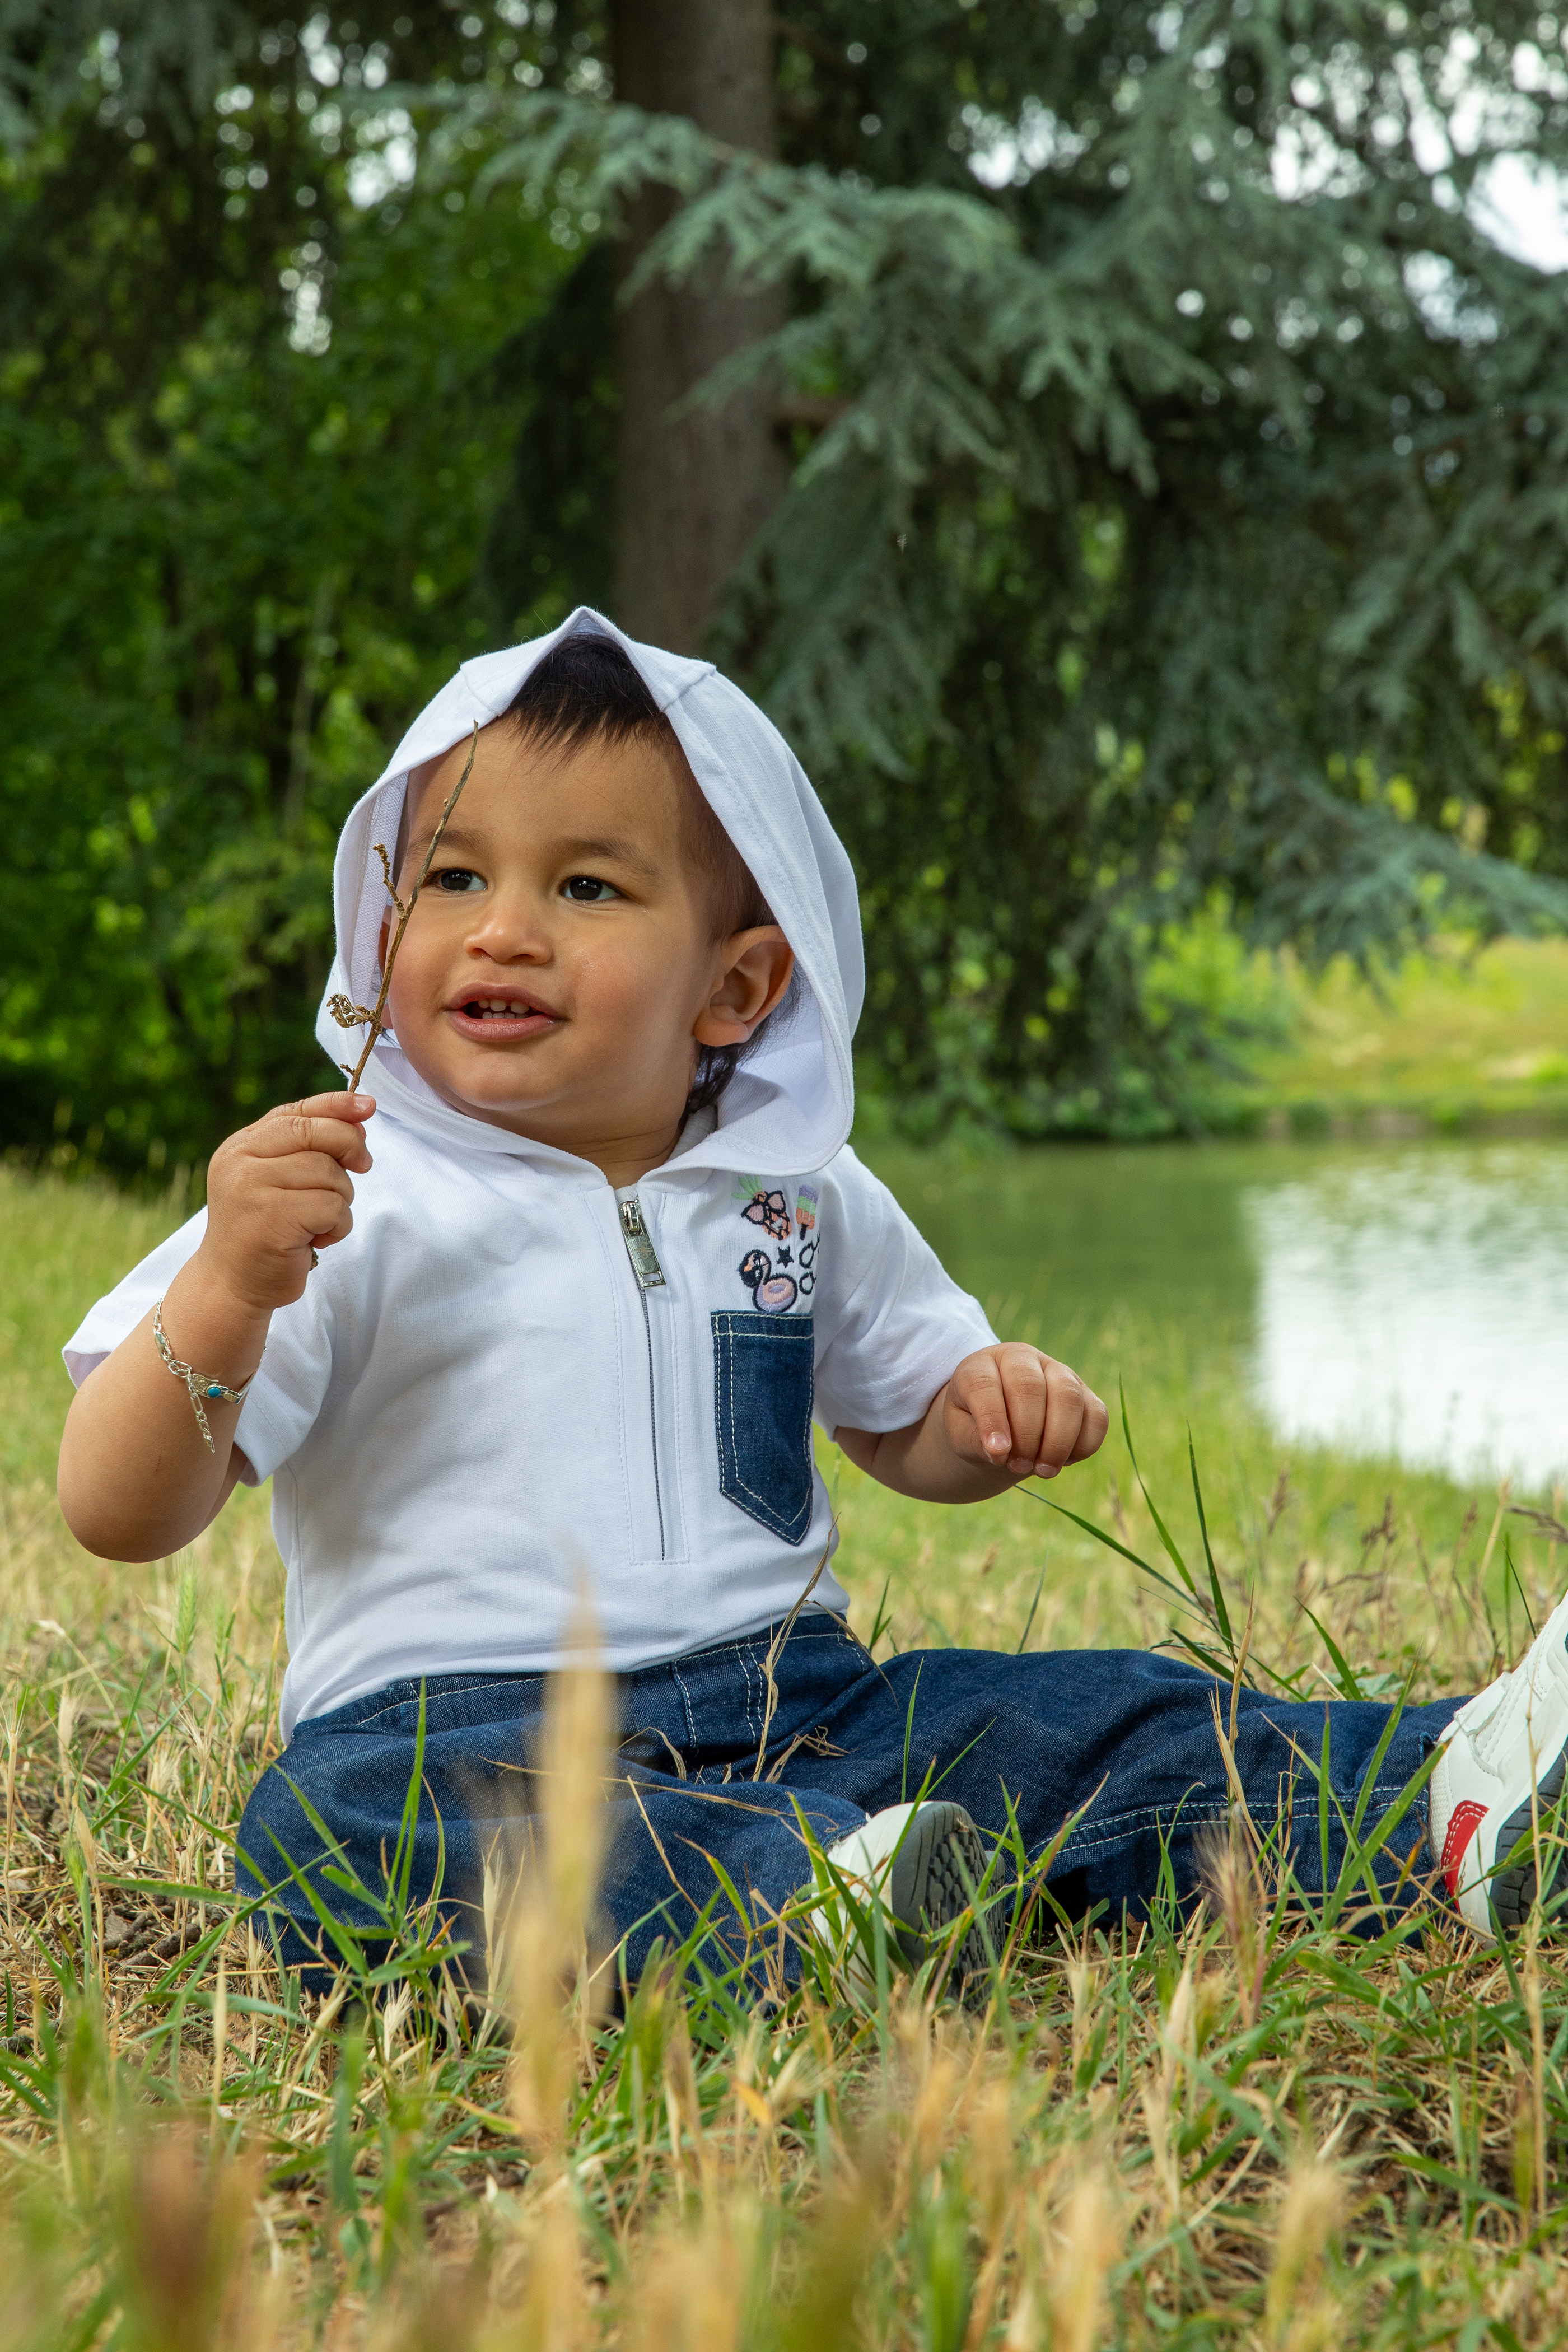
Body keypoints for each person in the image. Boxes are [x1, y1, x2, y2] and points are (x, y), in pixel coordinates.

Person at [55, 614, 1568, 1995]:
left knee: (1077, 1722)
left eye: (584, 885)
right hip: (466, 1729)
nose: (502, 927)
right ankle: (796, 1906)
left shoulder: (795, 1188)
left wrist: (983, 1414)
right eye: (451, 876)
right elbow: (114, 1507)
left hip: (807, 1712)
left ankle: (1441, 1799)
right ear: (384, 919)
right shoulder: (339, 1196)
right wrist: (225, 1294)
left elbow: (907, 1423)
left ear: (738, 986)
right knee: (334, 1829)